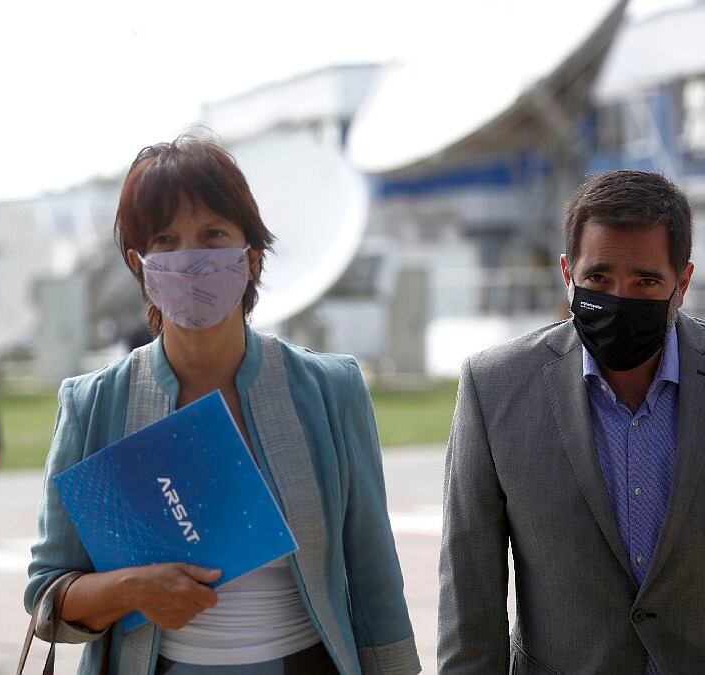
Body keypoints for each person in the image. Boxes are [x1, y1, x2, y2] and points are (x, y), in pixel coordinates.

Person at [25, 135, 420, 675]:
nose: (191, 258)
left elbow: (375, 581)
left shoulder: (329, 391)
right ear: (139, 264)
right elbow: (47, 596)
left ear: (251, 258)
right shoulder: (95, 404)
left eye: (212, 235)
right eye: (166, 240)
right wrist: (132, 588)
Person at [438, 170, 705, 673]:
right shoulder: (495, 389)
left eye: (645, 281)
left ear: (682, 283)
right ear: (567, 273)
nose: (620, 298)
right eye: (598, 279)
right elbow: (470, 605)